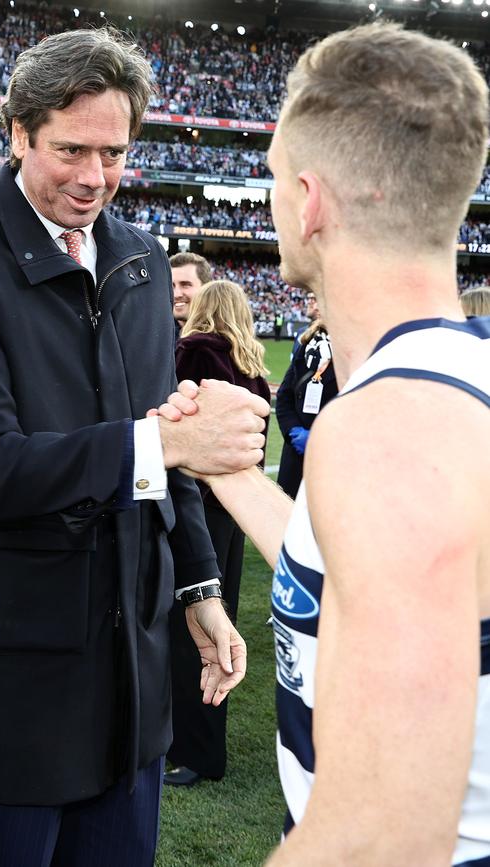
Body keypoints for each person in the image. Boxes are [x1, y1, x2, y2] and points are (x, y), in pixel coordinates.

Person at [0, 28, 268, 867]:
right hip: (15, 678)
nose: (94, 177)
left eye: (114, 152)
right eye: (71, 149)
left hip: (135, 680)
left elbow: (162, 446)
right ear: (18, 132)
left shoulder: (141, 258)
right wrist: (163, 444)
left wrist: (201, 588)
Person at [154, 23, 490, 866]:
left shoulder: (390, 431)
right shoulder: (442, 383)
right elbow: (344, 571)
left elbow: (381, 838)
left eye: (269, 180)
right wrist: (226, 466)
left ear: (308, 200)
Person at [165, 279, 271, 787]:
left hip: (197, 505)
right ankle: (203, 744)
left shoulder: (194, 352)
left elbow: (178, 432)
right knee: (218, 618)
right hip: (233, 511)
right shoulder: (250, 363)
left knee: (190, 627)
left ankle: (191, 749)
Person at [275, 314, 337, 499]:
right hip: (296, 456)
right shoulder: (307, 349)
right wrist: (294, 431)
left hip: (331, 456)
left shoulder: (358, 355)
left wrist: (323, 439)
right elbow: (284, 396)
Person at [170, 251, 212, 337]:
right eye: (171, 286)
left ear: (206, 288)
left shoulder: (225, 339)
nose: (176, 294)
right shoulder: (154, 336)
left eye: (185, 285)